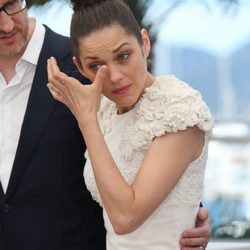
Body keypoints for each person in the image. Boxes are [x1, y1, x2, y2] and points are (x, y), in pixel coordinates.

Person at [0, 0, 210, 249]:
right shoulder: (107, 98)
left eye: (11, 4)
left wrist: (192, 215)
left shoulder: (81, 70)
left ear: (144, 42)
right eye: (97, 65)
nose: (6, 23)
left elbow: (168, 157)